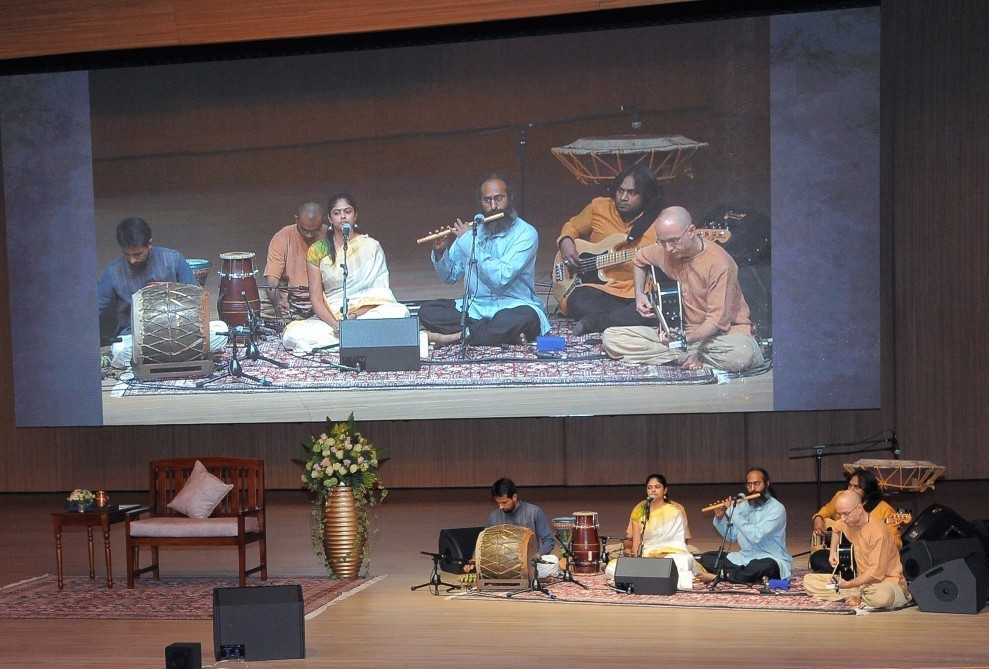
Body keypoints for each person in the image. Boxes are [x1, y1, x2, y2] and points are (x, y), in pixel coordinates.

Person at [601, 205, 766, 373]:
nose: (668, 248)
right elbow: (639, 259)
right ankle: (691, 357)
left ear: (691, 231)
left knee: (742, 355)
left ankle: (689, 355)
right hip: (683, 333)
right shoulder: (666, 250)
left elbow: (715, 322)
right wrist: (639, 294)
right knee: (611, 338)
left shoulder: (720, 264)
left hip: (722, 335)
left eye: (673, 241)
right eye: (662, 242)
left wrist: (684, 341)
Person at [418, 173, 549, 347]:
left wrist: (469, 243)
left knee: (526, 318)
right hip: (475, 308)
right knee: (428, 311)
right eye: (487, 201)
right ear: (481, 203)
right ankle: (502, 335)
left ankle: (453, 337)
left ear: (510, 198)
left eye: (499, 199)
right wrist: (441, 253)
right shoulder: (473, 231)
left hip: (512, 306)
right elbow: (449, 276)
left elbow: (500, 277)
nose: (494, 206)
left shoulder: (526, 234)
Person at [281, 193, 408, 353]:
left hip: (365, 314)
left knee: (399, 312)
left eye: (347, 211)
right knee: (292, 334)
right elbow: (316, 299)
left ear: (355, 215)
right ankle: (364, 339)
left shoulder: (371, 246)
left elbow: (380, 293)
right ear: (329, 218)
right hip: (333, 317)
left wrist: (353, 316)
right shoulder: (317, 251)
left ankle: (347, 340)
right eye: (337, 213)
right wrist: (336, 325)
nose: (343, 217)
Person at [97, 217, 225, 367]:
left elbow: (197, 298)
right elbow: (99, 309)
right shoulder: (113, 272)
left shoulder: (173, 259)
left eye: (138, 254)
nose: (132, 260)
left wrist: (168, 289)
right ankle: (189, 356)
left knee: (221, 331)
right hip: (138, 338)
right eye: (127, 255)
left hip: (182, 333)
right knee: (119, 350)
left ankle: (158, 360)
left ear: (149, 244)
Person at [556, 164, 663, 335]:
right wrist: (565, 241)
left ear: (646, 196)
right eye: (620, 191)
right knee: (576, 299)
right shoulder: (599, 207)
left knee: (657, 304)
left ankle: (596, 322)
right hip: (603, 289)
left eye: (632, 193)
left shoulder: (659, 221)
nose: (623, 197)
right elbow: (572, 226)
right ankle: (626, 318)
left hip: (638, 291)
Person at [803, 490, 911, 610]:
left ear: (859, 508)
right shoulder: (848, 522)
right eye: (840, 514)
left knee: (882, 597)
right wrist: (832, 551)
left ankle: (854, 595)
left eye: (846, 514)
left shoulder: (879, 533)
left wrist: (848, 584)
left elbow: (874, 574)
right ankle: (855, 594)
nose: (843, 518)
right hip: (860, 583)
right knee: (809, 581)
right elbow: (836, 528)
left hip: (885, 583)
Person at [698, 467, 792, 584]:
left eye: (757, 484)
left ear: (767, 484)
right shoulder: (743, 506)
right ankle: (743, 576)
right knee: (707, 558)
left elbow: (755, 536)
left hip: (769, 558)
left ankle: (723, 576)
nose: (752, 489)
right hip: (744, 558)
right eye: (749, 484)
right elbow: (732, 537)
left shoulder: (776, 509)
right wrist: (721, 518)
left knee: (763, 567)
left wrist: (735, 513)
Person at [604, 474, 698, 590]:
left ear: (665, 490)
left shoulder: (675, 511)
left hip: (671, 555)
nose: (653, 490)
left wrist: (662, 555)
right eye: (649, 487)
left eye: (657, 487)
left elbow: (680, 542)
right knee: (612, 567)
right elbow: (636, 543)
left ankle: (647, 576)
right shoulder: (640, 510)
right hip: (647, 555)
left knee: (683, 561)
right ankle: (657, 576)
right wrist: (640, 558)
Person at [810, 468, 904, 573]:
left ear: (868, 490)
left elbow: (898, 544)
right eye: (850, 485)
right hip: (843, 552)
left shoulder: (885, 510)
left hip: (866, 555)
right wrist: (818, 518)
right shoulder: (842, 497)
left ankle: (850, 571)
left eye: (857, 487)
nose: (851, 490)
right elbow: (826, 511)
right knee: (816, 559)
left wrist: (879, 538)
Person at [262, 201, 327, 322]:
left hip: (322, 298)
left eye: (315, 230)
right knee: (256, 308)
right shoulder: (282, 237)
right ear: (297, 219)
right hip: (288, 299)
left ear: (323, 221)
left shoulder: (330, 236)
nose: (309, 235)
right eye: (304, 229)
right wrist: (278, 301)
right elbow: (271, 281)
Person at [484, 477, 559, 580]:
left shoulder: (534, 512)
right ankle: (534, 579)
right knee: (488, 568)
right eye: (498, 503)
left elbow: (549, 540)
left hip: (529, 563)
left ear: (514, 497)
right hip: (503, 565)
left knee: (553, 561)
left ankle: (526, 578)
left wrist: (538, 555)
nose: (501, 507)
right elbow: (485, 542)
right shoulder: (494, 516)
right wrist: (474, 558)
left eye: (504, 503)